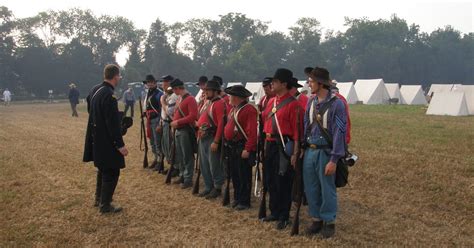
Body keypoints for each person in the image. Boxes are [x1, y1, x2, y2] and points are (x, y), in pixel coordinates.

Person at [302, 67, 347, 238]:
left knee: (327, 188)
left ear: (320, 84)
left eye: (312, 81)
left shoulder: (337, 104)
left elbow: (339, 133)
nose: (309, 83)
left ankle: (329, 221)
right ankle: (316, 219)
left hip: (326, 153)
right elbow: (306, 125)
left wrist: (334, 159)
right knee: (311, 187)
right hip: (310, 150)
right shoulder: (311, 102)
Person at [83, 64, 129, 214]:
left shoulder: (96, 91)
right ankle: (105, 204)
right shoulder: (109, 95)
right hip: (107, 141)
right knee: (111, 171)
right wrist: (119, 144)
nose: (120, 78)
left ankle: (99, 198)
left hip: (98, 138)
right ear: (116, 76)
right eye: (119, 76)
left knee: (103, 170)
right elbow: (112, 123)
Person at [261, 68, 303, 230]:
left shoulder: (294, 105)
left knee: (283, 181)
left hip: (284, 145)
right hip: (270, 143)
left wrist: (295, 153)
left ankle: (284, 215)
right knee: (270, 179)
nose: (272, 84)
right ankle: (275, 211)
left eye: (275, 81)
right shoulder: (271, 102)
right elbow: (266, 124)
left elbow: (297, 131)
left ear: (284, 84)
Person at [223, 85, 258, 210]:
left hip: (241, 146)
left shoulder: (248, 110)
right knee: (235, 174)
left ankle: (244, 201)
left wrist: (248, 149)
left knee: (243, 175)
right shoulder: (234, 109)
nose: (229, 98)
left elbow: (252, 132)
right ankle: (237, 198)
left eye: (231, 96)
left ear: (237, 97)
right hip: (233, 146)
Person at [196, 79, 226, 199]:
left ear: (215, 91)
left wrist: (216, 141)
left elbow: (221, 124)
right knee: (204, 164)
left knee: (214, 164)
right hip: (203, 136)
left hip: (212, 137)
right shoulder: (209, 102)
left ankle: (217, 187)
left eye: (208, 90)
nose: (206, 92)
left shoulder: (219, 103)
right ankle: (208, 187)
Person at [170, 78, 198, 189]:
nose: (174, 92)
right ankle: (182, 174)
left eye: (174, 89)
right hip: (179, 130)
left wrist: (178, 121)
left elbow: (193, 116)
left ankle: (188, 178)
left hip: (185, 130)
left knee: (187, 155)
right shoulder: (180, 99)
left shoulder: (190, 99)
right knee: (180, 155)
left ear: (177, 88)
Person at [143, 75, 164, 171]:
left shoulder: (159, 93)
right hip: (149, 119)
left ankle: (160, 161)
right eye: (148, 82)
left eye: (152, 82)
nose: (150, 84)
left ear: (155, 83)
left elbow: (161, 109)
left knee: (157, 141)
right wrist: (144, 113)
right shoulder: (148, 93)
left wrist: (160, 122)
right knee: (152, 141)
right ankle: (156, 158)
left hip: (156, 119)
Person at [160, 75, 178, 173]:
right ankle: (172, 165)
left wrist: (162, 102)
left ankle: (175, 167)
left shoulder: (173, 96)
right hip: (165, 122)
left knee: (171, 146)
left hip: (170, 122)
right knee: (166, 145)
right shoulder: (166, 94)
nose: (163, 84)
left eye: (164, 82)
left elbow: (169, 111)